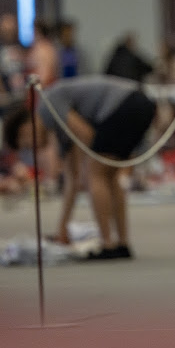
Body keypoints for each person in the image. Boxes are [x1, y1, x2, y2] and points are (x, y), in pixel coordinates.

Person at [35, 75, 156, 258]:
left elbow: (87, 135)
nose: (33, 147)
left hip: (125, 103)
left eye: (26, 141)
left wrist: (88, 168)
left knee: (95, 174)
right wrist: (62, 230)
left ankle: (107, 244)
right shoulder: (58, 129)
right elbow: (71, 180)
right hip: (142, 103)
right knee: (109, 176)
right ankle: (122, 244)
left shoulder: (48, 105)